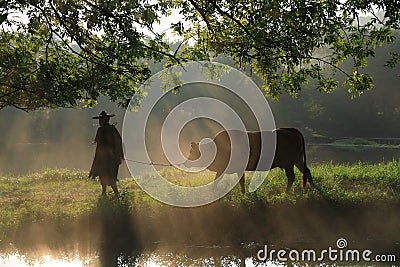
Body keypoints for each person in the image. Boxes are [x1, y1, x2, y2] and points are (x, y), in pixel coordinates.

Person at [89, 111, 123, 195]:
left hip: (110, 158)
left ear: (106, 120)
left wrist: (113, 152)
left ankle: (115, 193)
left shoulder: (110, 129)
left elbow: (117, 142)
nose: (100, 122)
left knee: (109, 175)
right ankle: (105, 192)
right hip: (103, 157)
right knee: (103, 174)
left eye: (101, 120)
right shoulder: (102, 129)